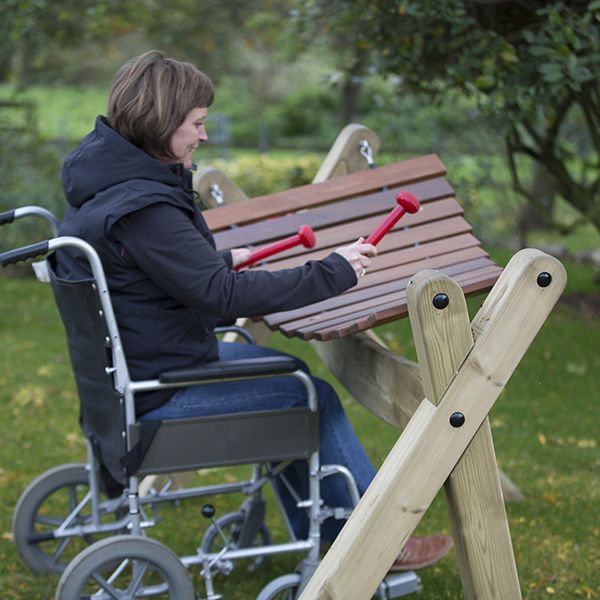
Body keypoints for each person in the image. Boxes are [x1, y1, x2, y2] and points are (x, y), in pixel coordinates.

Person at [56, 50, 452, 571]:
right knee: (309, 398)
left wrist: (212, 259)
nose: (203, 135)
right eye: (195, 123)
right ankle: (372, 543)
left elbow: (145, 273)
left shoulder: (105, 187)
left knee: (292, 380)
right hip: (160, 391)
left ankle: (333, 534)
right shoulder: (144, 207)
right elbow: (223, 297)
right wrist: (334, 270)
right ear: (160, 121)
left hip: (141, 373)